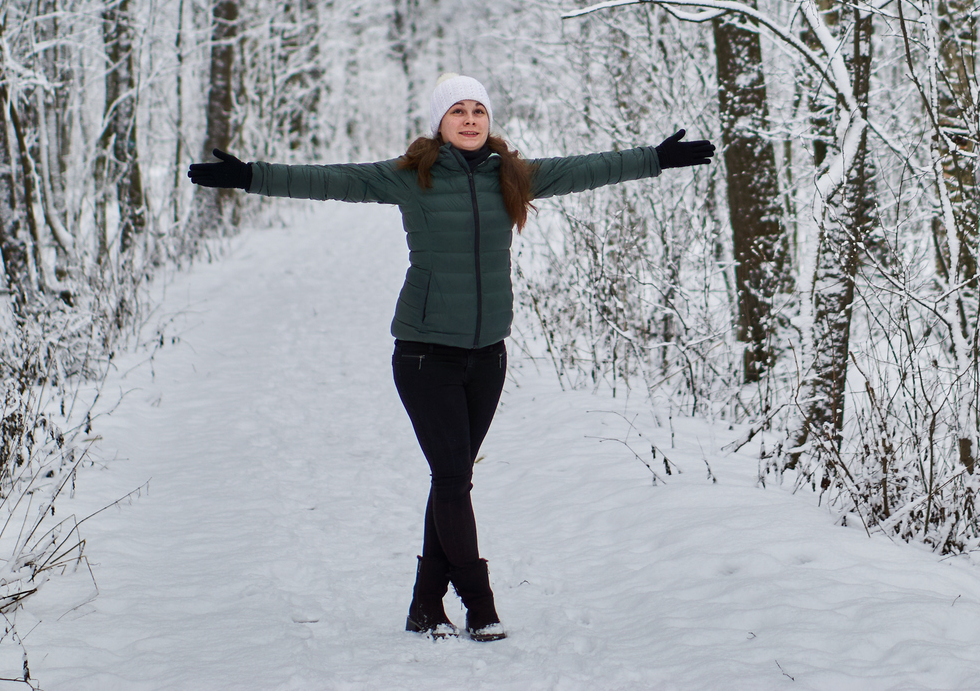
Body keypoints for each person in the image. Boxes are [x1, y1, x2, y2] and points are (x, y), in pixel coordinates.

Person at [188, 74, 714, 642]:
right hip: (424, 354)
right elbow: (330, 179)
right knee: (452, 478)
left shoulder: (514, 176)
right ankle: (478, 602)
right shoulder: (410, 177)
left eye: (478, 111)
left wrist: (654, 158)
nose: (469, 119)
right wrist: (249, 176)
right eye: (457, 111)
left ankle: (422, 607)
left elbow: (589, 168)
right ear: (439, 123)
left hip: (488, 356)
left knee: (451, 480)